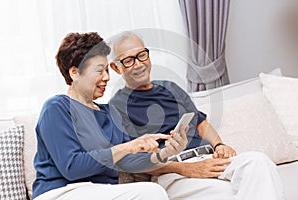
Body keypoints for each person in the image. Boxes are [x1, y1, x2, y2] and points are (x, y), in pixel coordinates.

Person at [109, 31, 286, 200]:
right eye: (128, 61)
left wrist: (219, 145)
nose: (139, 64)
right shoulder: (117, 106)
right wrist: (188, 169)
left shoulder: (171, 88)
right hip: (173, 172)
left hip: (209, 158)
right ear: (116, 68)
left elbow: (200, 123)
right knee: (230, 193)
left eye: (142, 55)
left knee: (258, 161)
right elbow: (129, 160)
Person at [32, 32, 189, 200]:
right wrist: (127, 147)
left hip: (99, 191)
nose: (107, 77)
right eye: (99, 71)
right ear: (74, 73)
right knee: (151, 193)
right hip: (60, 192)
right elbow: (72, 167)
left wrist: (164, 153)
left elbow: (127, 161)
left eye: (107, 70)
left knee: (152, 189)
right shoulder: (56, 108)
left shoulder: (109, 113)